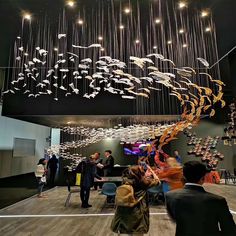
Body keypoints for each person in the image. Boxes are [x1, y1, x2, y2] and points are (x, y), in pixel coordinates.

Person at [165, 161, 236, 236]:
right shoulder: (218, 201)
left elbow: (175, 218)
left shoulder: (170, 196)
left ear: (184, 177)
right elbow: (230, 230)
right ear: (203, 178)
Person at [111, 165, 160, 235]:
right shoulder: (143, 184)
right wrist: (151, 171)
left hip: (125, 211)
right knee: (137, 231)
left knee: (128, 231)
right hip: (138, 211)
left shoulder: (125, 182)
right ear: (140, 173)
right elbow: (157, 181)